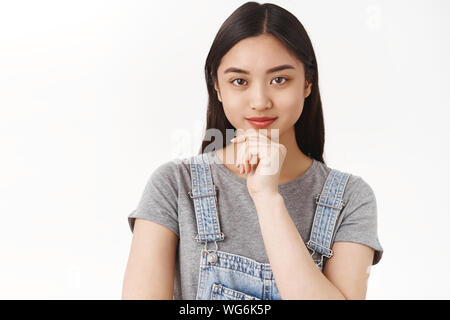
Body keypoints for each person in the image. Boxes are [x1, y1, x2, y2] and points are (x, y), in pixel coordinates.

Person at [122, 1, 383, 300]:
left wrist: (268, 199)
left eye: (279, 79)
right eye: (239, 81)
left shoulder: (350, 198)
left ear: (307, 83)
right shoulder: (173, 186)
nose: (260, 100)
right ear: (217, 87)